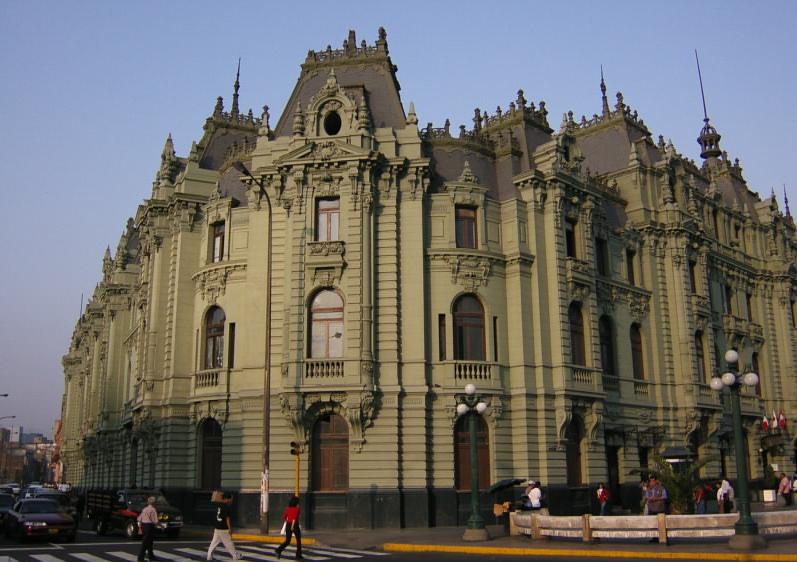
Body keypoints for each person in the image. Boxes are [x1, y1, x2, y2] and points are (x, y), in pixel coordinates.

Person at [207, 492, 242, 561]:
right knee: (229, 543)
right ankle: (235, 556)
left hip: (217, 527)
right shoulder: (226, 507)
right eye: (230, 499)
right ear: (227, 499)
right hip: (223, 528)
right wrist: (230, 528)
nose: (231, 501)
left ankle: (209, 556)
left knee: (213, 543)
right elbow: (227, 519)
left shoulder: (219, 505)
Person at [275, 496, 302, 560]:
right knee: (298, 540)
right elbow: (294, 519)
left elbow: (284, 517)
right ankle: (298, 555)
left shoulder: (288, 509)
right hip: (294, 525)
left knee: (287, 540)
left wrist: (288, 522)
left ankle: (278, 550)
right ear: (296, 503)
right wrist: (292, 526)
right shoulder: (297, 509)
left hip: (288, 524)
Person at [137, 496, 160, 562]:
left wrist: (139, 527)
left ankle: (151, 556)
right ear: (153, 503)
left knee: (149, 542)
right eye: (156, 502)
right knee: (146, 543)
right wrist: (161, 526)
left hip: (144, 526)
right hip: (150, 527)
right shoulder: (153, 509)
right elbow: (156, 521)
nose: (156, 504)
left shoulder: (144, 509)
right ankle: (140, 558)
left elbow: (139, 518)